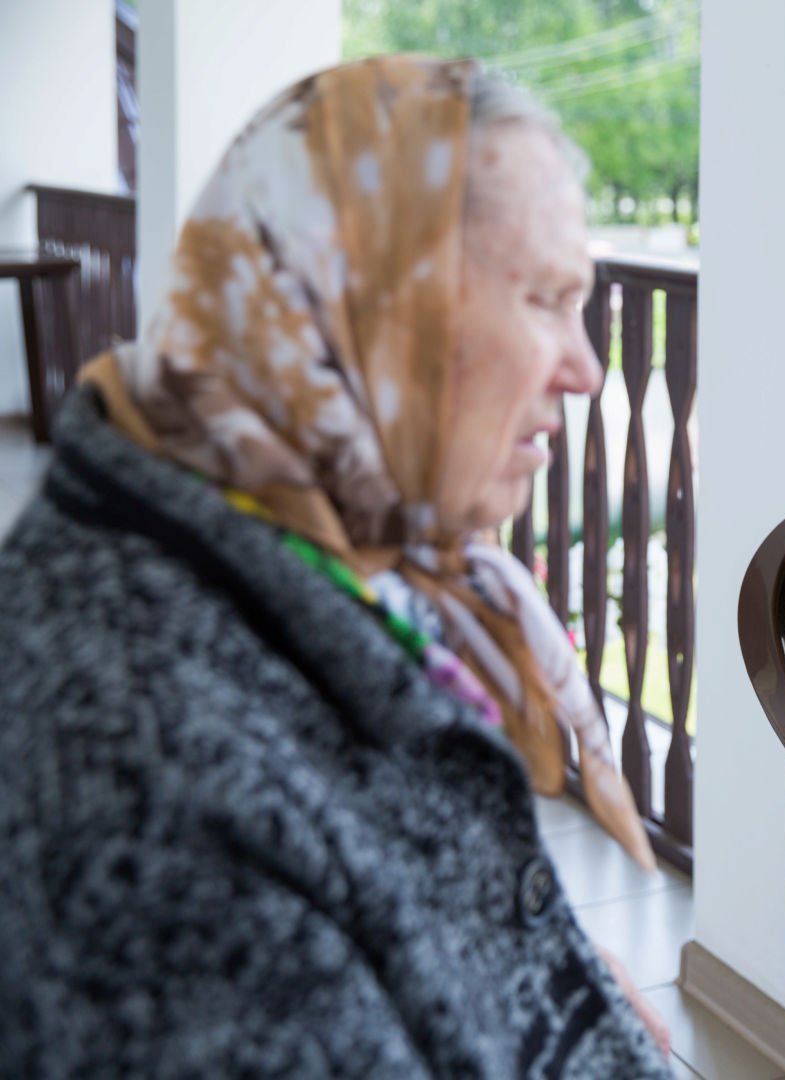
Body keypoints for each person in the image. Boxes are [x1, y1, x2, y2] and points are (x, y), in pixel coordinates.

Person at [0, 57, 672, 1078]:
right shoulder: (151, 767)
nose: (584, 368)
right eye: (544, 298)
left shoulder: (317, 558)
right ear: (361, 314)